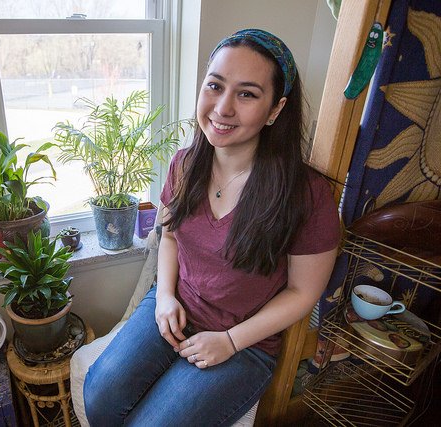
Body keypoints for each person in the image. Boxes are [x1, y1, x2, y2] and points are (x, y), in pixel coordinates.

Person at [83, 29, 340, 426]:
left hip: (244, 342)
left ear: (276, 109)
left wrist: (231, 341)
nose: (222, 108)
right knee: (99, 394)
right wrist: (165, 295)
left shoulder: (307, 194)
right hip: (177, 306)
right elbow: (169, 235)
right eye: (215, 86)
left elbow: (303, 292)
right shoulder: (184, 165)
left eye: (247, 94)